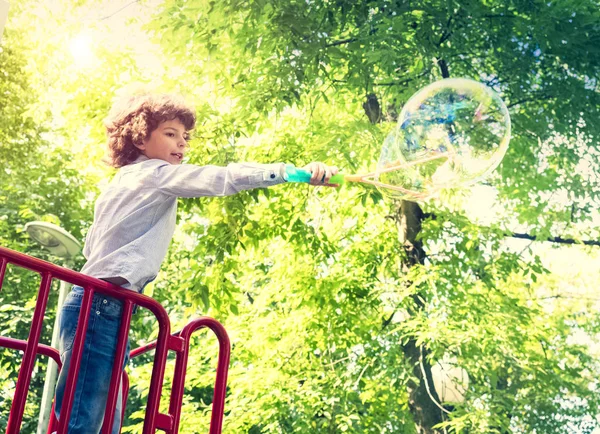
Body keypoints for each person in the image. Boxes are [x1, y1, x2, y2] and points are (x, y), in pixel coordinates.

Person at [53, 93, 338, 433]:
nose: (182, 144)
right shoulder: (154, 174)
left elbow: (93, 248)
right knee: (85, 420)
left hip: (102, 305)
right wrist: (294, 173)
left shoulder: (120, 184)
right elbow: (222, 178)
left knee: (97, 417)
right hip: (102, 305)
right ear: (140, 137)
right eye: (171, 133)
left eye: (185, 137)